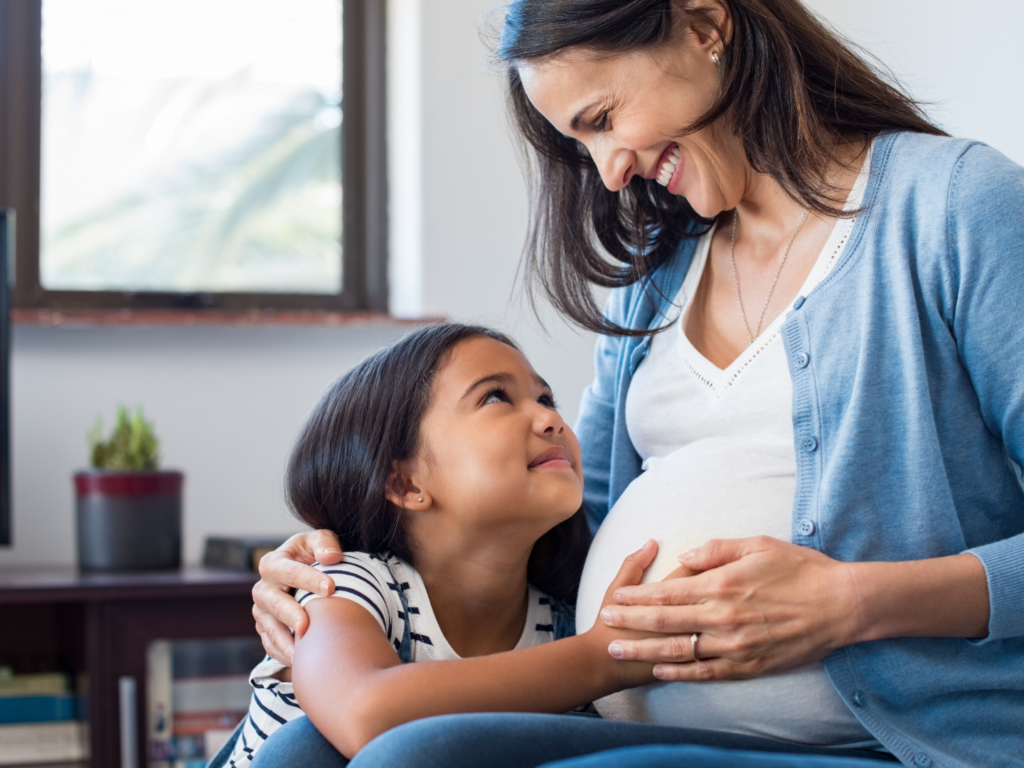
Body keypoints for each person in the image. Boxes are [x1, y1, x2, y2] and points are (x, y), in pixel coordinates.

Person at [249, 1, 1024, 767]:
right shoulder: (657, 275)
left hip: (883, 738)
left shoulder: (953, 209)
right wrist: (341, 567)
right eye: (581, 144)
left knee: (415, 758)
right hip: (632, 718)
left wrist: (850, 604)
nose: (610, 171)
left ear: (705, 26)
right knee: (300, 750)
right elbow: (568, 524)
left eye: (604, 118)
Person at [216, 322, 685, 767]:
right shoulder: (346, 587)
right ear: (405, 483)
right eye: (496, 397)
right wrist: (601, 658)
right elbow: (364, 713)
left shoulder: (562, 620)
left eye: (546, 397)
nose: (549, 418)